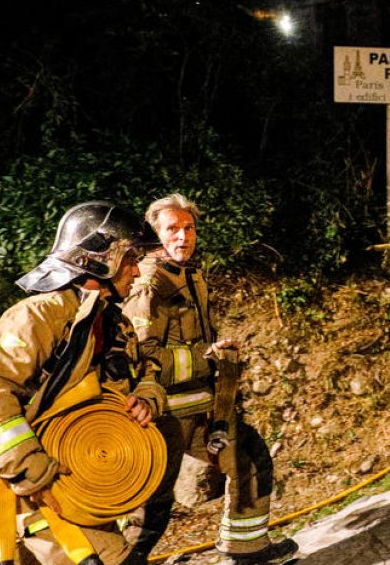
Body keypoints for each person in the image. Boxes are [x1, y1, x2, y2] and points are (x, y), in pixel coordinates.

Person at [0, 201, 167, 564]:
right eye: (131, 259)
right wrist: (33, 473)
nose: (137, 272)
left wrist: (145, 397)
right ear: (98, 257)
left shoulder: (112, 322)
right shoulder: (38, 315)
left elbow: (144, 372)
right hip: (32, 489)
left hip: (75, 483)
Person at [121, 194, 296, 564]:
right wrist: (206, 358)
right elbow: (141, 358)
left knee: (250, 459)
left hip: (201, 411)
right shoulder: (148, 283)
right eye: (172, 229)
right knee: (150, 510)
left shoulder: (190, 275)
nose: (183, 237)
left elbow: (191, 341)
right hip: (161, 416)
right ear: (154, 235)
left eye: (189, 228)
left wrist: (215, 350)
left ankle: (246, 551)